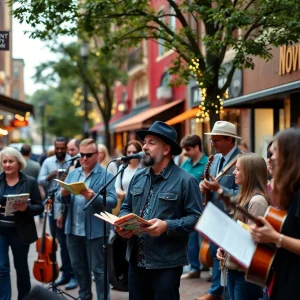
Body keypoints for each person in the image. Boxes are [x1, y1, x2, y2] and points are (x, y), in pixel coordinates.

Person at [116, 121, 202, 300]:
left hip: (166, 264)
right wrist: (122, 224)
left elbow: (197, 218)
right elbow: (125, 207)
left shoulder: (186, 180)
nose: (144, 147)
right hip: (135, 261)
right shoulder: (139, 176)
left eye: (151, 142)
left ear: (166, 150)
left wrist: (167, 226)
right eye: (145, 142)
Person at [61, 138, 117, 300]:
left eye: (88, 155)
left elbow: (112, 201)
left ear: (97, 155)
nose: (84, 158)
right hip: (73, 230)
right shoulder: (73, 173)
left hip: (96, 232)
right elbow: (61, 199)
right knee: (79, 268)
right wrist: (63, 194)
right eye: (81, 155)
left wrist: (95, 198)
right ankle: (84, 297)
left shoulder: (106, 174)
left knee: (99, 271)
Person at [250, 127, 300, 300]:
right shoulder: (291, 192)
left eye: (276, 151)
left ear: (289, 155)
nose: (271, 158)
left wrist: (275, 237)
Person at [216, 153, 270, 300]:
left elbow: (252, 241)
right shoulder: (244, 197)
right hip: (235, 268)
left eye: (238, 169)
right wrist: (224, 247)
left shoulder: (257, 201)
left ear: (250, 173)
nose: (234, 172)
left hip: (245, 273)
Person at [198, 121, 241, 300]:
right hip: (215, 215)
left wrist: (219, 190)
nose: (212, 144)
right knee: (217, 255)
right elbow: (212, 183)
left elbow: (244, 194)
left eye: (216, 140)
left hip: (232, 217)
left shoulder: (242, 160)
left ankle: (222, 292)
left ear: (230, 140)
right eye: (212, 140)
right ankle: (217, 291)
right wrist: (205, 187)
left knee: (229, 260)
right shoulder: (214, 159)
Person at [0, 146, 43, 300]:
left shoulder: (29, 182)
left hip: (20, 232)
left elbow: (39, 206)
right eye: (4, 161)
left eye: (10, 161)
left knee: (21, 269)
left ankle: (24, 298)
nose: (7, 165)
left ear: (18, 163)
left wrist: (26, 208)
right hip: (1, 232)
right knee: (2, 268)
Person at [38, 137, 78, 290]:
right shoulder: (48, 162)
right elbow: (39, 181)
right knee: (60, 243)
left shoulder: (73, 161)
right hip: (53, 209)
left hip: (70, 208)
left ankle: (74, 275)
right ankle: (66, 274)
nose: (60, 151)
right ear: (54, 148)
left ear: (66, 148)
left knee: (71, 244)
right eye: (58, 148)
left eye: (63, 148)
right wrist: (50, 176)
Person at [180, 134, 209, 279]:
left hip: (205, 207)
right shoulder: (185, 164)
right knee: (191, 238)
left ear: (197, 147)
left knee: (206, 239)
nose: (185, 152)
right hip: (189, 207)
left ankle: (209, 266)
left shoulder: (208, 163)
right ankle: (194, 268)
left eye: (188, 149)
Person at [114, 140, 143, 216]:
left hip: (140, 206)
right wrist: (120, 192)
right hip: (125, 206)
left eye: (134, 152)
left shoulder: (144, 169)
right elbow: (117, 187)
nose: (131, 154)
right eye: (129, 152)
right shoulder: (122, 168)